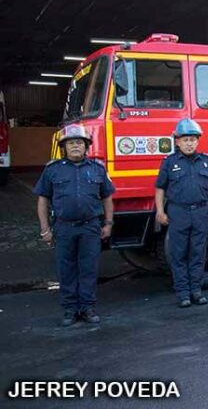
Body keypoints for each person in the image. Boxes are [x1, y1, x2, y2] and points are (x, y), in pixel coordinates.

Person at [34, 124, 115, 326]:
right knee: (66, 269)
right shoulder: (52, 170)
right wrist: (45, 229)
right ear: (64, 147)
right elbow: (43, 200)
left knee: (89, 269)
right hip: (64, 228)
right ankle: (70, 310)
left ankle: (87, 308)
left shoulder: (97, 169)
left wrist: (108, 223)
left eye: (79, 142)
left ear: (86, 146)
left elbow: (107, 198)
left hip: (90, 227)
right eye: (71, 143)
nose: (76, 146)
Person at [155, 118, 208, 308]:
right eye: (185, 140)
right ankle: (183, 293)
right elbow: (160, 188)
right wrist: (160, 211)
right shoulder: (169, 163)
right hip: (178, 213)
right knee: (179, 254)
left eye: (192, 139)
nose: (189, 143)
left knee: (198, 253)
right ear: (177, 141)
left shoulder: (206, 161)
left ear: (198, 141)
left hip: (201, 212)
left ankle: (197, 291)